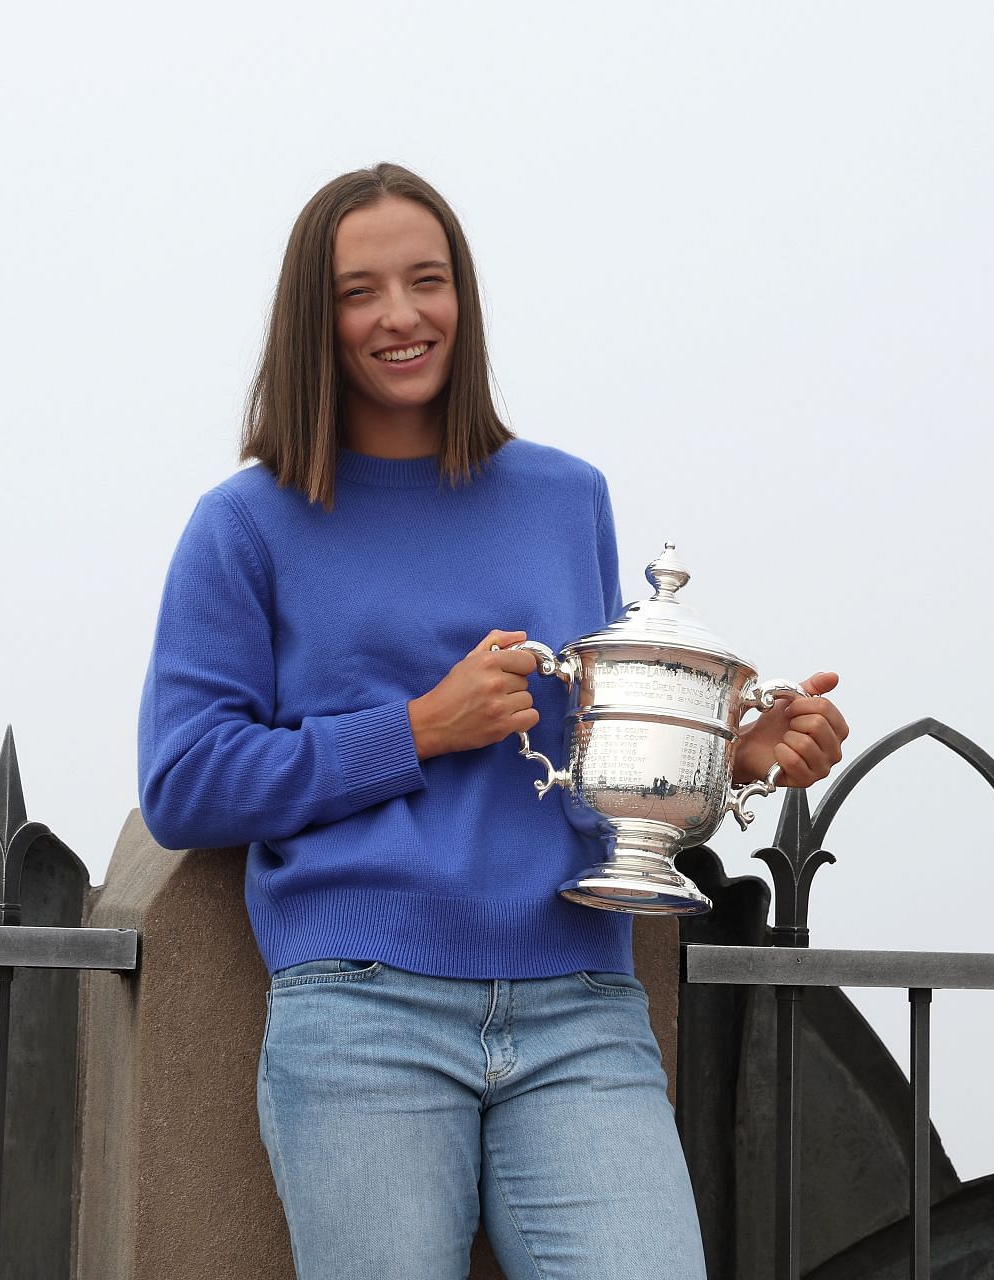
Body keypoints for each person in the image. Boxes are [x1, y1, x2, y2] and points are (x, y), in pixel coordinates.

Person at [137, 163, 848, 1280]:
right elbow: (184, 783)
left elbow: (583, 748)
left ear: (463, 297)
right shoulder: (245, 524)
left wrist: (731, 755)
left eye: (428, 281)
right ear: (313, 320)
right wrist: (417, 725)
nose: (402, 315)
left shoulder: (567, 496)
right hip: (361, 1010)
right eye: (361, 291)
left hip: (581, 1008)